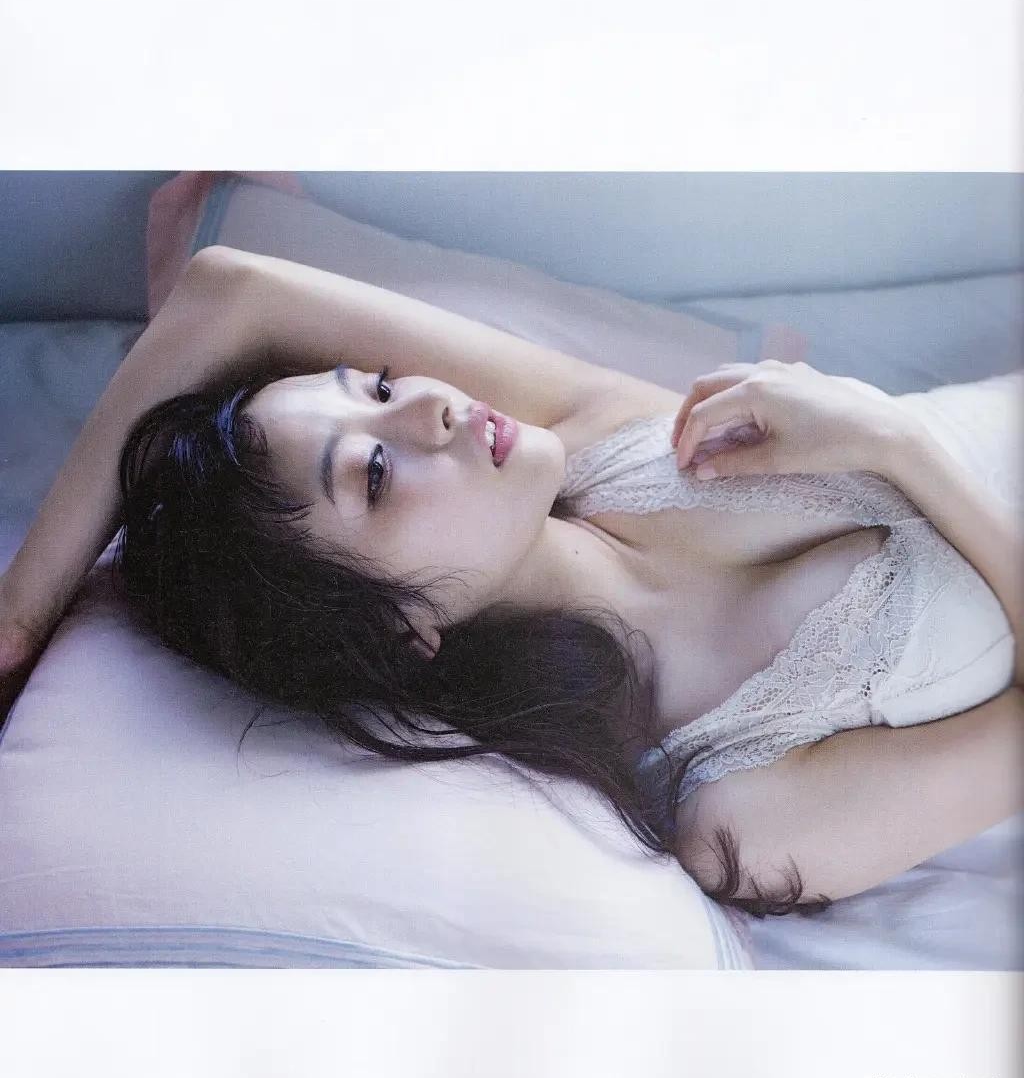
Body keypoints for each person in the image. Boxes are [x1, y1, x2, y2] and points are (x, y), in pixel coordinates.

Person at [1, 245, 1022, 918]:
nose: (432, 407)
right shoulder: (739, 814)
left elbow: (231, 290)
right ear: (400, 629)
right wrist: (899, 446)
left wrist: (19, 612)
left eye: (379, 385)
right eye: (373, 473)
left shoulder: (606, 437)